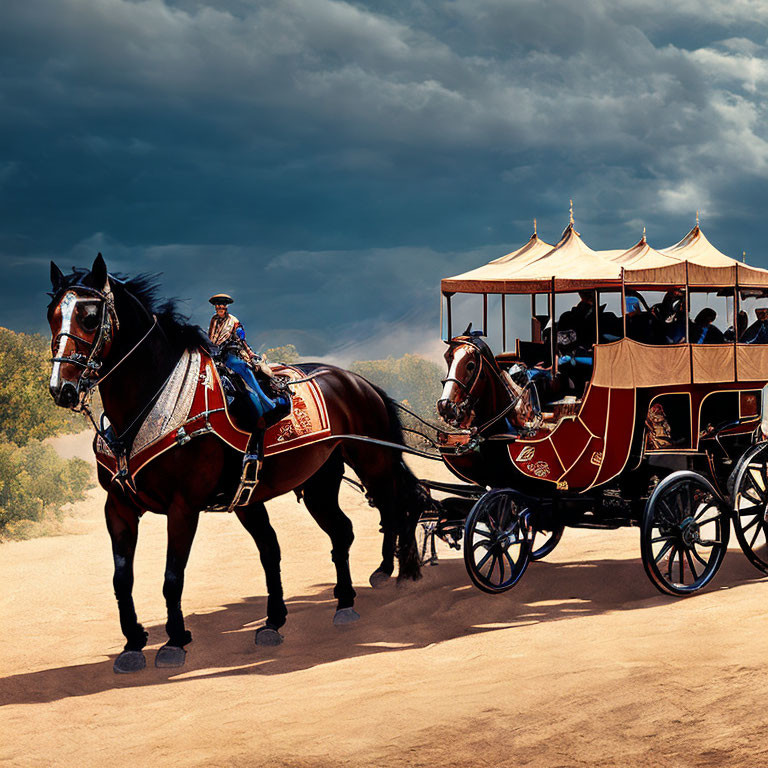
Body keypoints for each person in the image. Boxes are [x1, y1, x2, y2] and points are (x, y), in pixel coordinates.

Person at [207, 293, 291, 484]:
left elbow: (242, 340)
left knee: (244, 371)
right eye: (218, 305)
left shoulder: (234, 322)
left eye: (223, 305)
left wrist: (250, 354)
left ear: (226, 307)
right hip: (216, 356)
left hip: (232, 354)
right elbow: (211, 339)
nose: (220, 307)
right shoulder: (213, 321)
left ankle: (265, 402)